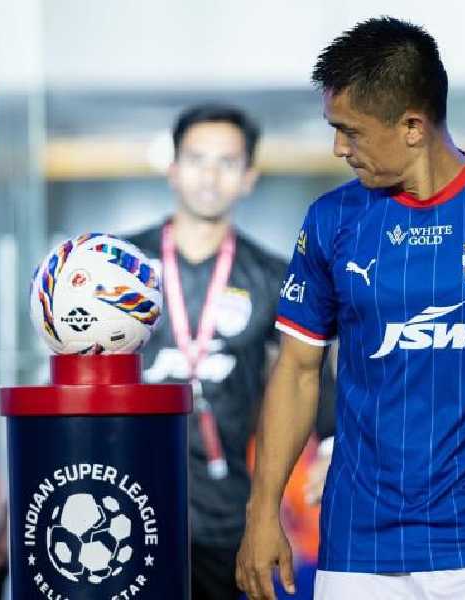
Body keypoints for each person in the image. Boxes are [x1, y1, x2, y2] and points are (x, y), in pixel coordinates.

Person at [236, 17, 465, 600]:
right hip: (359, 548)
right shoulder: (330, 220)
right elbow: (298, 369)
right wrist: (261, 512)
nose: (338, 147)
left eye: (349, 131)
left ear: (412, 126)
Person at [125, 103, 334, 600]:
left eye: (227, 163)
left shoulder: (272, 276)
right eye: (197, 159)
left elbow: (310, 370)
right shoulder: (123, 266)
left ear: (249, 177)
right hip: (126, 495)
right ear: (173, 169)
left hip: (226, 508)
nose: (210, 176)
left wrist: (331, 446)